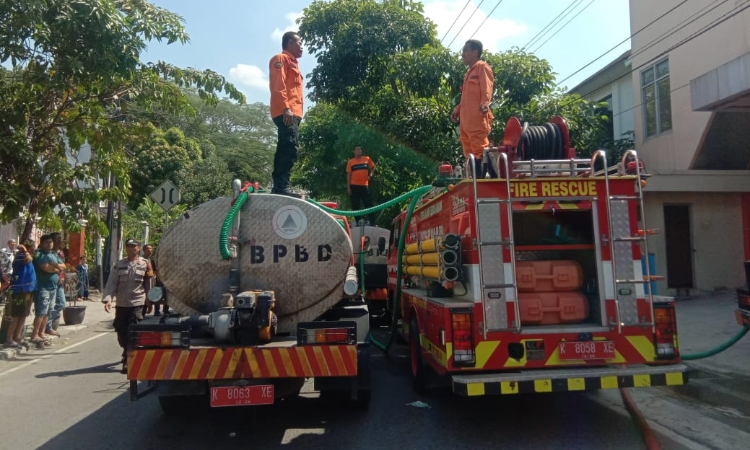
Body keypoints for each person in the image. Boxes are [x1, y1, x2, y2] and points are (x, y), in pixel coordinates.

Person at [102, 238, 153, 374]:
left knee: (133, 330)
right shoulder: (119, 265)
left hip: (138, 302)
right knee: (120, 330)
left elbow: (148, 284)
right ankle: (126, 350)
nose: (131, 249)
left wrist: (149, 300)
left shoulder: (145, 264)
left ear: (138, 248)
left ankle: (128, 360)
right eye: (129, 246)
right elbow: (112, 283)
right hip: (122, 303)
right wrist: (108, 299)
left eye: (134, 246)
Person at [450, 39, 494, 177]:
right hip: (466, 120)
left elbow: (487, 87)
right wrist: (457, 110)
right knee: (468, 149)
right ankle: (475, 178)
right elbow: (466, 98)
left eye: (465, 51)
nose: (463, 54)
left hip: (476, 117)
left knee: (480, 148)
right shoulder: (468, 73)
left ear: (475, 52)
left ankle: (487, 178)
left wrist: (485, 103)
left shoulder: (482, 67)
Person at [269, 31, 304, 198]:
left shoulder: (294, 63)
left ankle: (279, 187)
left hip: (293, 113)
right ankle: (282, 187)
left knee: (286, 146)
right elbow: (278, 84)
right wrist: (285, 107)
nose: (302, 47)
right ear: (290, 43)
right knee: (290, 147)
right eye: (299, 43)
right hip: (286, 112)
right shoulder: (280, 59)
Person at [31, 235, 64, 346]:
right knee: (41, 312)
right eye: (46, 242)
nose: (49, 244)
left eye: (50, 242)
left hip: (53, 287)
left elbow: (64, 266)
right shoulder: (39, 254)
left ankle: (42, 332)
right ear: (41, 243)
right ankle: (35, 334)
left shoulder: (53, 254)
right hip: (42, 287)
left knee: (48, 311)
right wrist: (56, 268)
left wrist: (54, 265)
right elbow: (46, 268)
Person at [5, 244, 37, 348]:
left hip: (27, 289)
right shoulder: (21, 256)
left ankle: (17, 337)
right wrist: (24, 250)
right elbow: (28, 259)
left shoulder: (26, 255)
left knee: (23, 315)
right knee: (16, 315)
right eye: (32, 247)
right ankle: (9, 339)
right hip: (20, 289)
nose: (34, 248)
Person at [346, 146, 377, 225]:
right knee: (355, 204)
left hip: (364, 185)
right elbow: (348, 174)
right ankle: (358, 221)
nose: (359, 151)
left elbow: (373, 167)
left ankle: (372, 221)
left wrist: (370, 175)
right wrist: (348, 187)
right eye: (357, 149)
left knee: (368, 203)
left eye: (360, 149)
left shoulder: (366, 159)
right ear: (354, 151)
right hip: (354, 186)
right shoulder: (351, 162)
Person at [46, 232, 66, 336]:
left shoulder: (61, 253)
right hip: (52, 281)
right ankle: (47, 325)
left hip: (61, 282)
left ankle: (46, 322)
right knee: (50, 305)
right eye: (57, 239)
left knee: (61, 304)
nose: (59, 240)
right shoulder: (49, 253)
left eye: (60, 238)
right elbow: (52, 267)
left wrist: (63, 278)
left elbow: (63, 267)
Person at [143, 244, 169, 317]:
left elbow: (155, 271)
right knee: (145, 297)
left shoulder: (152, 260)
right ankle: (143, 313)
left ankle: (158, 311)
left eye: (151, 249)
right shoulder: (141, 259)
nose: (151, 250)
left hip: (152, 281)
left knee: (156, 295)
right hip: (144, 281)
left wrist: (158, 279)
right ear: (144, 250)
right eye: (149, 248)